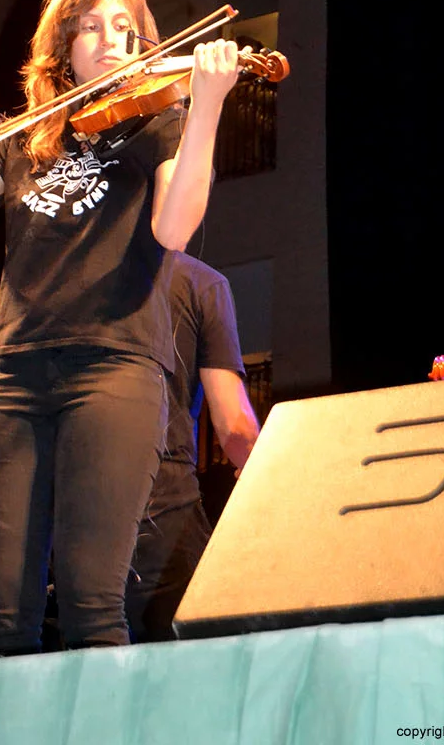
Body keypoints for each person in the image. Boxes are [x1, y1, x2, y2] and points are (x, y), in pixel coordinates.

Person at [0, 0, 239, 656]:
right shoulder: (31, 134)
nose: (109, 42)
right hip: (13, 377)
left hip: (113, 371)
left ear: (143, 42)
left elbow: (174, 229)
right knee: (3, 619)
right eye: (90, 29)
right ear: (64, 50)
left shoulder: (159, 124)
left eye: (124, 28)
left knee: (90, 604)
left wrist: (205, 107)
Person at [126, 250, 259, 642]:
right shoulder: (201, 282)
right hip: (162, 511)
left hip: (81, 519)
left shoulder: (80, 274)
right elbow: (234, 426)